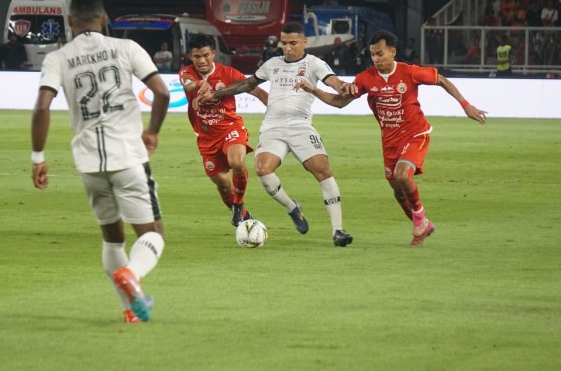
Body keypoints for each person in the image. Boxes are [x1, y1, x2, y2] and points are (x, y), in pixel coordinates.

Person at [30, 0, 170, 324]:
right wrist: (152, 130)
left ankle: (130, 307)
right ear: (104, 18)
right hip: (128, 156)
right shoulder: (127, 48)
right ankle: (133, 275)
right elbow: (162, 92)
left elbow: (43, 105)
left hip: (89, 163)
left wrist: (38, 156)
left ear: (69, 21)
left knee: (112, 238)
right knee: (153, 233)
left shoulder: (58, 58)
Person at [293, 30, 487, 246]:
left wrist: (465, 105)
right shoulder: (365, 78)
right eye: (373, 55)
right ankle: (422, 227)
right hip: (390, 141)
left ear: (393, 52)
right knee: (398, 191)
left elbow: (441, 80)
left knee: (403, 175)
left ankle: (420, 219)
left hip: (416, 134)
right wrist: (313, 90)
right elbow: (339, 101)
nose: (376, 59)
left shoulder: (409, 72)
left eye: (381, 54)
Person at [198, 21, 354, 247]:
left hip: (301, 125)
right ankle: (293, 207)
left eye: (293, 43)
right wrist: (218, 93)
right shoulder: (273, 64)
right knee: (263, 170)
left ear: (304, 42)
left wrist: (344, 86)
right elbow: (248, 83)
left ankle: (338, 230)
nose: (288, 48)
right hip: (273, 126)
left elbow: (335, 82)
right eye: (284, 43)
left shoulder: (314, 64)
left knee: (322, 170)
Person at [179, 33, 268, 227]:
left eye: (205, 55)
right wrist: (201, 83)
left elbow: (255, 90)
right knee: (223, 185)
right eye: (196, 57)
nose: (201, 61)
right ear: (190, 57)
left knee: (236, 162)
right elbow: (188, 84)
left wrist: (275, 107)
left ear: (213, 53)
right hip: (206, 137)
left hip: (230, 127)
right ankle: (242, 214)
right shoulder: (186, 73)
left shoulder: (228, 73)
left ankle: (238, 206)